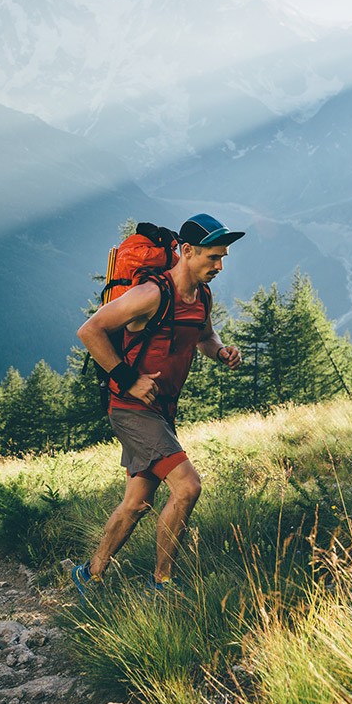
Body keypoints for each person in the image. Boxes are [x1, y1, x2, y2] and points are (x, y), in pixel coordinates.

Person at [73, 213, 244, 596]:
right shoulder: (152, 293)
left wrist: (220, 353)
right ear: (186, 251)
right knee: (187, 487)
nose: (218, 266)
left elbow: (204, 335)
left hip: (162, 411)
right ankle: (162, 583)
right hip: (132, 409)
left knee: (137, 503)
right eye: (212, 257)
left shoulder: (201, 295)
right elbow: (90, 330)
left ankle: (91, 574)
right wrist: (128, 378)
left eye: (222, 258)